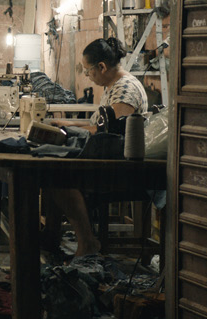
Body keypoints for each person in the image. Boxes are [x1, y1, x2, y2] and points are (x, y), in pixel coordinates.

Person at [49, 37, 149, 257]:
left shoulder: (125, 90)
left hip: (121, 167)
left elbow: (110, 135)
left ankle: (87, 242)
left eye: (88, 71)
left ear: (101, 67)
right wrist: (69, 125)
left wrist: (71, 130)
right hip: (107, 158)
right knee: (52, 170)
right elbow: (101, 126)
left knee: (58, 177)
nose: (87, 76)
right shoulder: (113, 87)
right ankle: (52, 239)